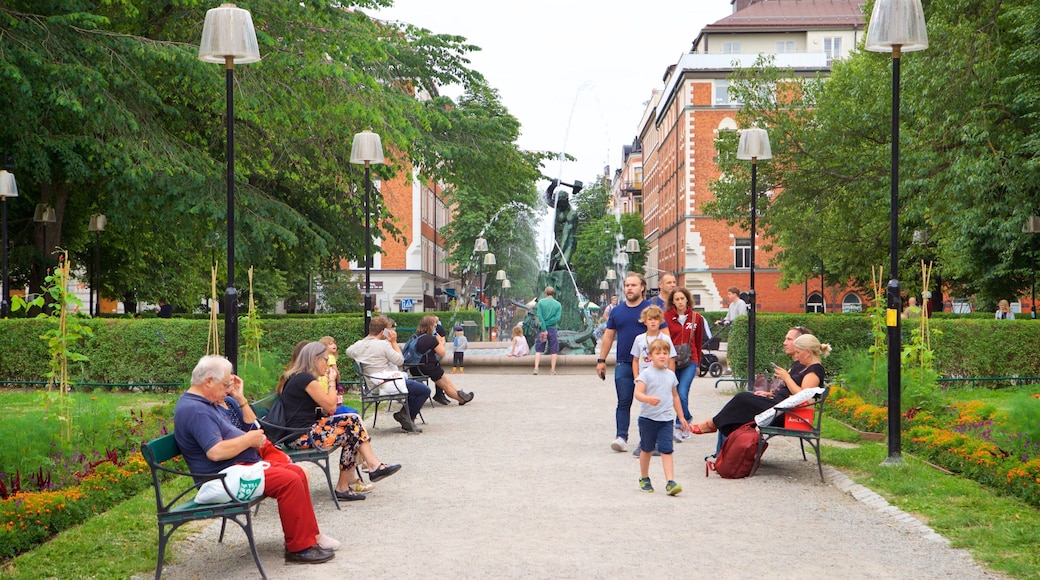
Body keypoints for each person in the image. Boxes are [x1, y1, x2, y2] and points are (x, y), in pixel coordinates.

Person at [174, 355, 338, 564]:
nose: (227, 390)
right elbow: (215, 452)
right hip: (221, 478)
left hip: (237, 468)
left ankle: (309, 538)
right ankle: (299, 548)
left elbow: (250, 428)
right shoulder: (196, 409)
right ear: (208, 381)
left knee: (295, 473)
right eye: (225, 385)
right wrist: (248, 440)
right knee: (289, 480)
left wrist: (248, 433)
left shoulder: (207, 403)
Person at [279, 341, 403, 501]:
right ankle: (372, 467)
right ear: (315, 359)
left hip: (304, 432)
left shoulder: (299, 377)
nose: (328, 363)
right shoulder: (305, 379)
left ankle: (347, 484)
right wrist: (332, 380)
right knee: (352, 423)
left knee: (351, 429)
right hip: (299, 437)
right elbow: (330, 406)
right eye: (326, 359)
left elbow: (324, 409)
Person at [690, 332, 830, 436]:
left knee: (742, 399)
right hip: (778, 405)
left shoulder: (814, 370)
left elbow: (802, 397)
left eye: (799, 352)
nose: (797, 356)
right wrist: (769, 393)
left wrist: (786, 377)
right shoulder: (801, 365)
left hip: (787, 413)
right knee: (740, 408)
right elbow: (788, 390)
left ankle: (712, 425)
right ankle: (727, 450)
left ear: (808, 352)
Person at [596, 272, 651, 453]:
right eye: (627, 285)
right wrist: (601, 360)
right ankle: (621, 436)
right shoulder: (617, 311)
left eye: (633, 285)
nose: (629, 288)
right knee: (623, 401)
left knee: (648, 402)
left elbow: (663, 335)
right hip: (623, 363)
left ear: (642, 287)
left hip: (647, 365)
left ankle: (647, 439)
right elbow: (608, 336)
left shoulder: (650, 309)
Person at [345, 316, 431, 429]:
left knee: (412, 388)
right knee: (424, 390)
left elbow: (348, 351)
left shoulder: (359, 345)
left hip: (372, 386)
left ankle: (405, 416)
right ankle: (406, 416)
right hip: (387, 384)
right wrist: (394, 342)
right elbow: (400, 361)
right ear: (383, 332)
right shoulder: (383, 345)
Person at [634, 338, 687, 495]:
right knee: (647, 449)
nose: (662, 356)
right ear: (650, 356)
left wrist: (681, 417)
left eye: (665, 353)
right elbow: (637, 393)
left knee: (667, 450)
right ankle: (644, 477)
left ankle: (670, 481)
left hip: (666, 419)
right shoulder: (646, 374)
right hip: (648, 419)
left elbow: (675, 397)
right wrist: (648, 399)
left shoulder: (671, 375)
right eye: (658, 353)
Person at [664, 287, 708, 441]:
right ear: (672, 302)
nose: (680, 302)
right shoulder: (667, 317)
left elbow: (698, 341)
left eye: (682, 298)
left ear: (687, 299)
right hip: (672, 361)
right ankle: (687, 417)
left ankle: (679, 426)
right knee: (674, 394)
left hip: (690, 360)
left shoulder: (696, 318)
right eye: (677, 299)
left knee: (682, 393)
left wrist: (698, 364)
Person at [409, 315, 475, 405]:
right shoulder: (431, 339)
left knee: (446, 379)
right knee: (446, 385)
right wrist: (439, 342)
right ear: (430, 326)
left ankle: (460, 393)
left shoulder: (416, 336)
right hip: (428, 368)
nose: (435, 328)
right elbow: (442, 353)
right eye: (434, 326)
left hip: (415, 367)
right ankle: (461, 399)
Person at [533, 286, 562, 375]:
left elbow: (540, 316)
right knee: (554, 350)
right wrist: (549, 323)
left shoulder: (541, 302)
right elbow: (557, 318)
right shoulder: (558, 304)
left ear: (545, 293)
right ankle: (552, 370)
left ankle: (536, 368)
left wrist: (544, 326)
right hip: (553, 329)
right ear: (554, 293)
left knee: (538, 349)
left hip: (542, 329)